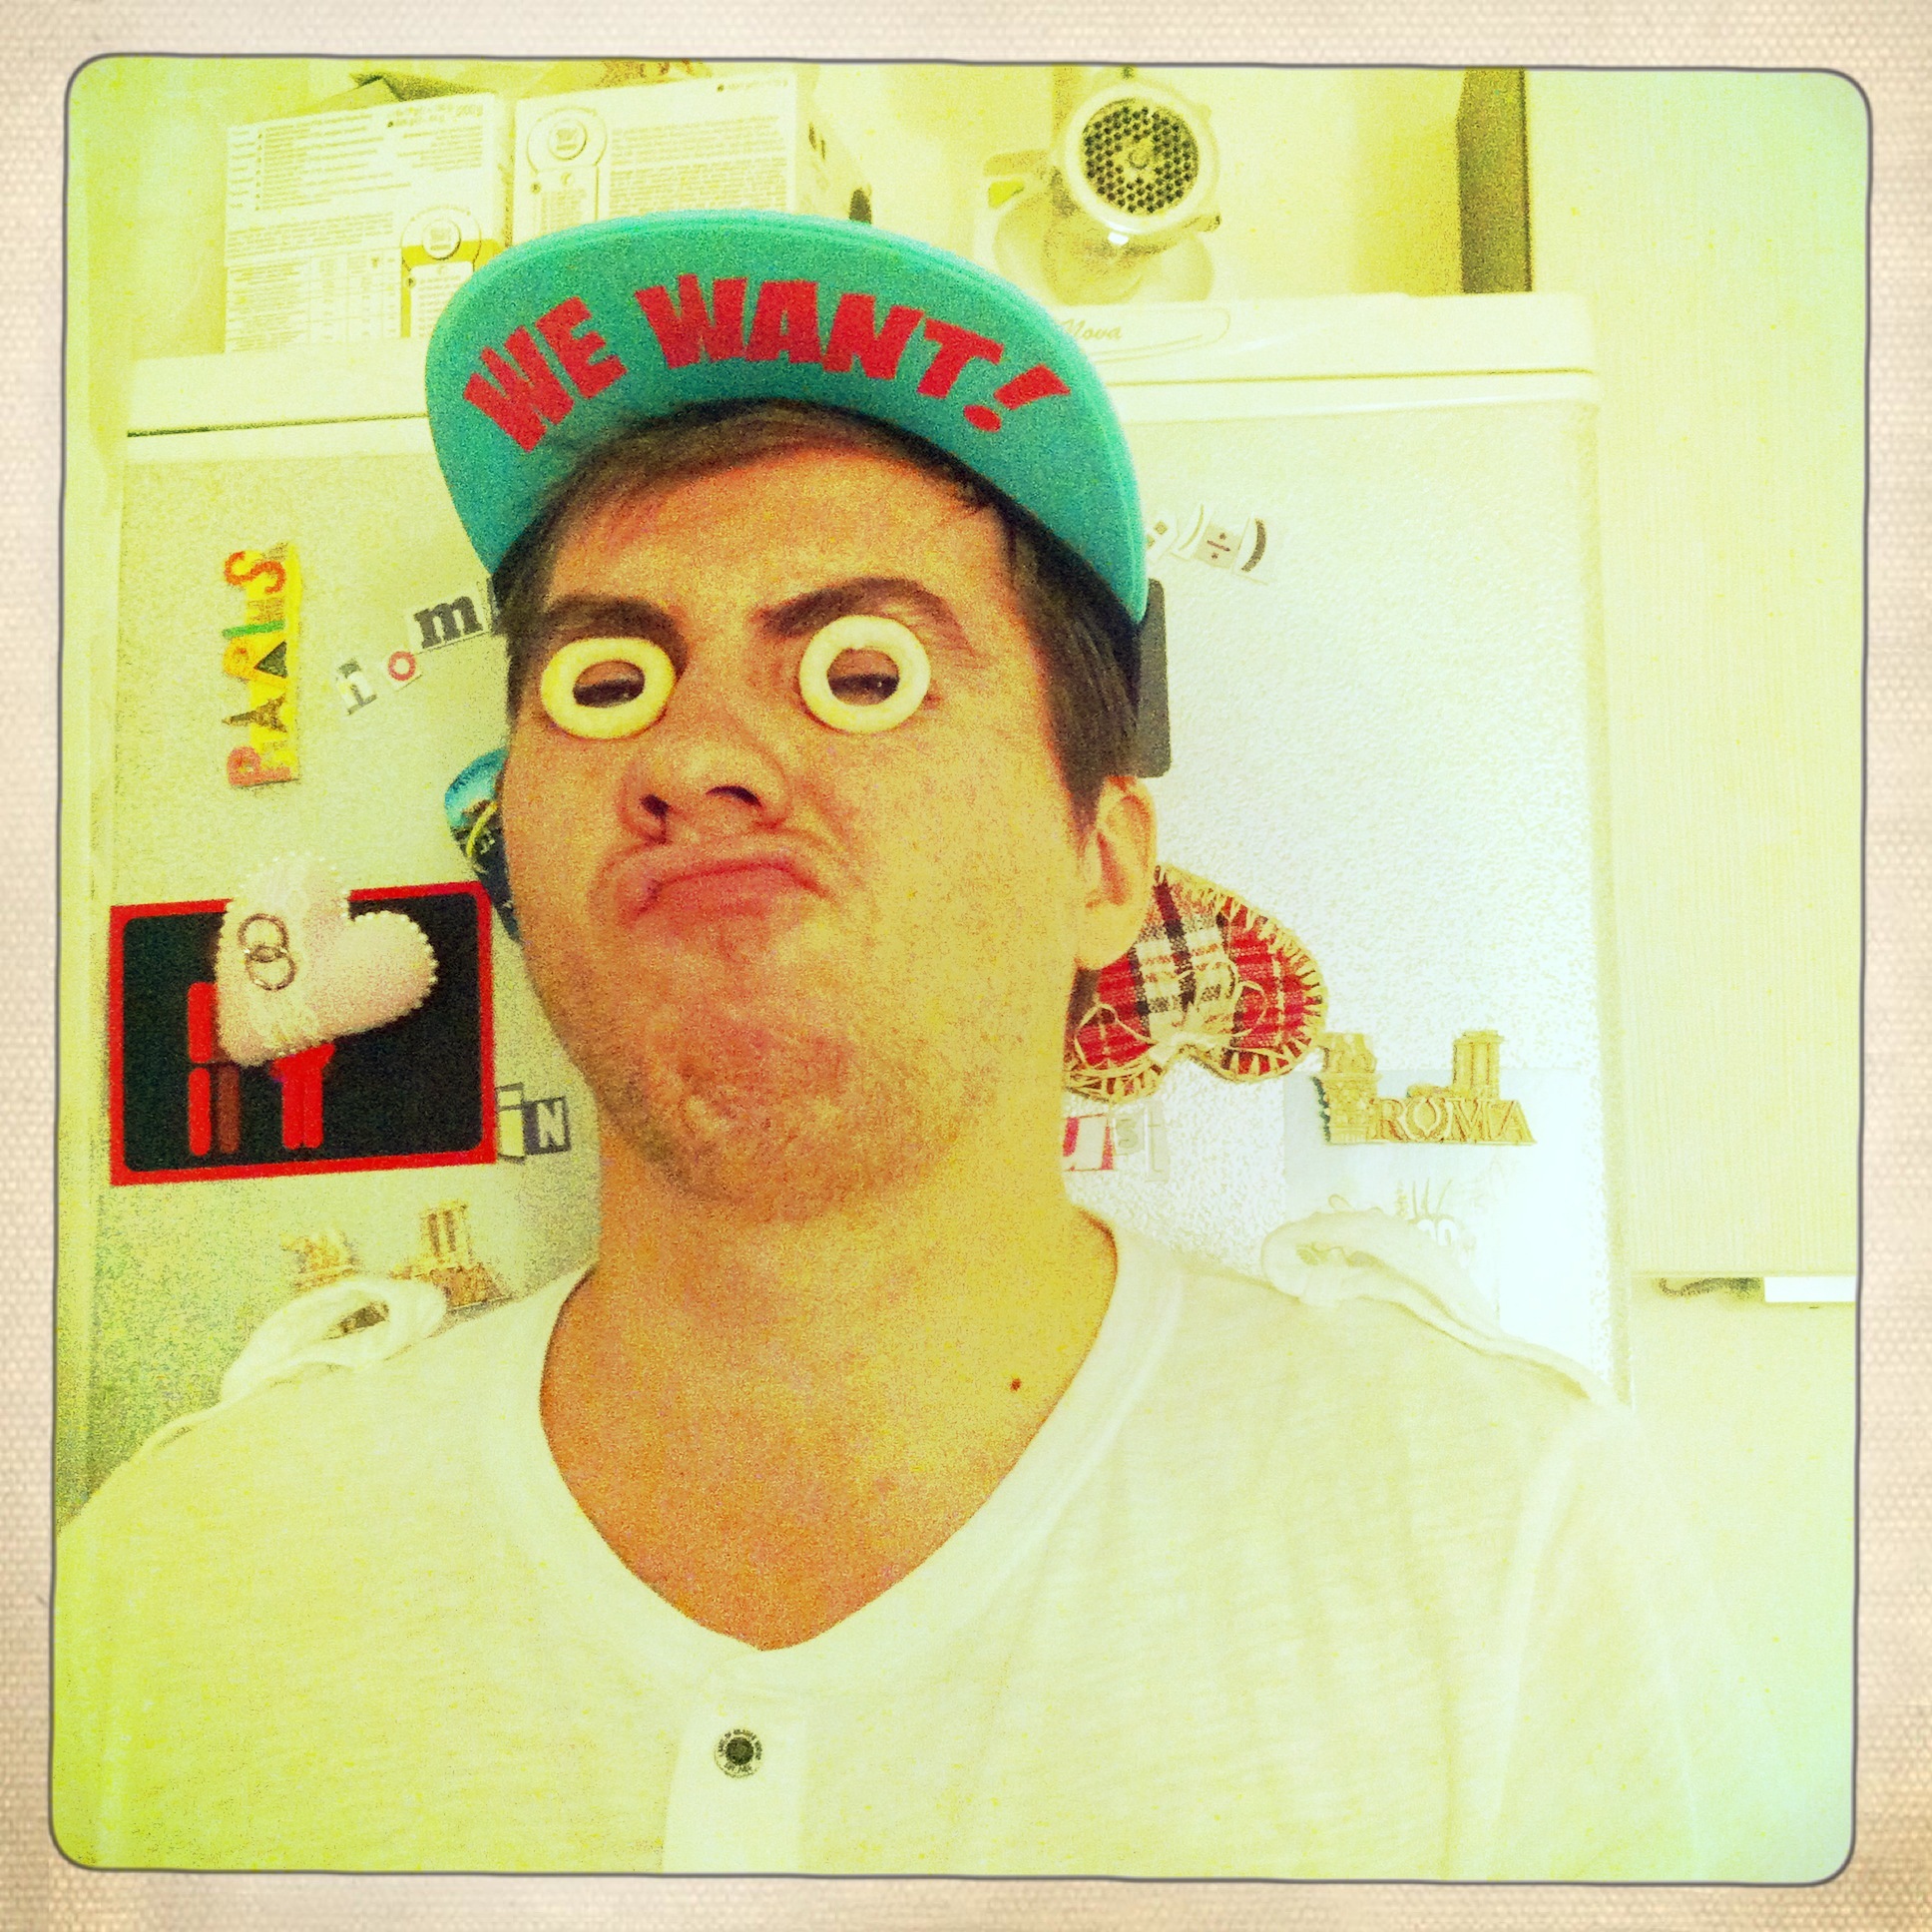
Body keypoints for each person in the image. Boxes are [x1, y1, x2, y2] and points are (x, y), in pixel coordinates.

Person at [54, 211, 1798, 1877]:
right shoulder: (178, 1582)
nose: (692, 757)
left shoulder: (1508, 1555)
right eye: (608, 681)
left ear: (1103, 866)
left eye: (861, 672)